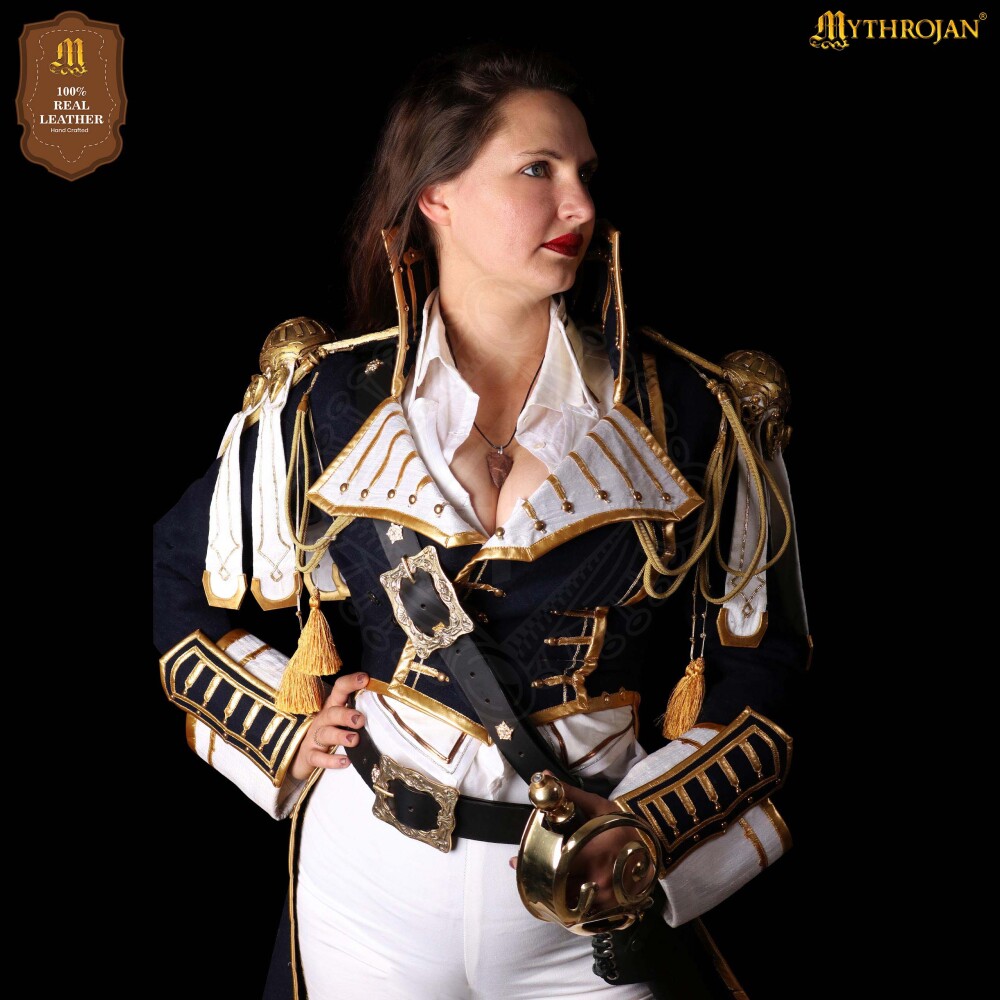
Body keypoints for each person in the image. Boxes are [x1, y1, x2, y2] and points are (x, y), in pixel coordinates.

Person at [153, 41, 811, 1000]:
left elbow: (766, 662)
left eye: (585, 174)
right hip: (365, 894)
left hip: (587, 914)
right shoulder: (319, 403)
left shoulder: (696, 414)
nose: (579, 206)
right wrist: (283, 728)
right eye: (538, 170)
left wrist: (650, 824)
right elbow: (181, 583)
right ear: (436, 195)